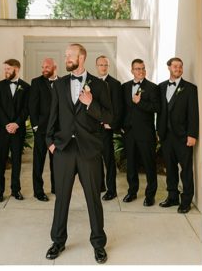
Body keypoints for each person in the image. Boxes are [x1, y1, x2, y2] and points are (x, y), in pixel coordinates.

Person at [45, 43, 114, 264]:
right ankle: (58, 241)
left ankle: (98, 243)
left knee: (93, 199)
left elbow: (109, 118)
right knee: (61, 198)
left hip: (89, 150)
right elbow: (53, 115)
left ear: (81, 57)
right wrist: (50, 142)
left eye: (70, 56)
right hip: (64, 149)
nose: (66, 59)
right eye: (65, 55)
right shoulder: (60, 84)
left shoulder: (100, 86)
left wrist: (91, 103)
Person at [157, 57, 199, 213]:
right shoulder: (161, 87)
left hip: (183, 136)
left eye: (180, 66)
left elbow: (193, 114)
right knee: (170, 168)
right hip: (166, 136)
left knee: (186, 169)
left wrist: (192, 134)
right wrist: (158, 131)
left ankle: (186, 201)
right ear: (169, 67)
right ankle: (172, 197)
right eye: (175, 66)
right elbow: (160, 111)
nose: (178, 68)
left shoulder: (190, 88)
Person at [120, 59, 160, 206]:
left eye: (143, 68)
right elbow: (121, 109)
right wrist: (121, 127)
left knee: (149, 164)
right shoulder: (124, 87)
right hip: (129, 133)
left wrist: (140, 102)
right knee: (131, 164)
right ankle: (132, 191)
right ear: (132, 70)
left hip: (145, 133)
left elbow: (157, 107)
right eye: (137, 69)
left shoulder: (152, 87)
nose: (141, 71)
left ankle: (150, 195)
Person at [0, 58, 30, 202]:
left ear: (17, 69)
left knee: (16, 161)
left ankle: (16, 190)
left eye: (8, 69)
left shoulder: (26, 87)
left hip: (18, 130)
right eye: (5, 69)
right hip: (3, 130)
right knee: (1, 161)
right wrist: (7, 124)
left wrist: (16, 124)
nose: (6, 72)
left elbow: (26, 109)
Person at [29, 58, 58, 201]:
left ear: (55, 67)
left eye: (47, 66)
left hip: (58, 130)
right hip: (41, 129)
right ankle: (38, 191)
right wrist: (35, 126)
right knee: (38, 161)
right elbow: (32, 106)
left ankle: (56, 188)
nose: (44, 69)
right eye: (43, 66)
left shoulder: (63, 82)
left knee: (57, 161)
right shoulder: (36, 82)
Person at [95, 55, 123, 201]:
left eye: (105, 65)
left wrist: (110, 124)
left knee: (109, 160)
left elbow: (117, 107)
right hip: (94, 129)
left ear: (108, 66)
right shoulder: (91, 82)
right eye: (100, 65)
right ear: (96, 66)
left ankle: (112, 190)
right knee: (96, 159)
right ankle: (100, 186)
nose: (103, 67)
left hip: (106, 128)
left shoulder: (115, 84)